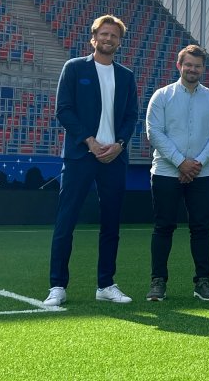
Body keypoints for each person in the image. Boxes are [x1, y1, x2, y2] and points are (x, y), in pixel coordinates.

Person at [44, 15, 138, 306]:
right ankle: (57, 286)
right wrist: (90, 141)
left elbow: (131, 116)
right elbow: (64, 110)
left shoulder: (126, 76)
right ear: (93, 37)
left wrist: (119, 144)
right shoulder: (74, 68)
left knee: (111, 223)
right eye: (104, 34)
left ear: (119, 42)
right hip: (80, 156)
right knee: (66, 220)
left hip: (114, 158)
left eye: (114, 36)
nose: (109, 39)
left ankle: (105, 284)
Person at [145, 45, 209, 302]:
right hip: (166, 172)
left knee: (201, 228)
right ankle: (158, 281)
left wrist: (197, 163)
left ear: (204, 68)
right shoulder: (161, 96)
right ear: (179, 65)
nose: (193, 69)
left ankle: (202, 281)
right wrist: (181, 162)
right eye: (188, 64)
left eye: (198, 65)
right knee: (163, 227)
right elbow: (154, 133)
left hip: (203, 174)